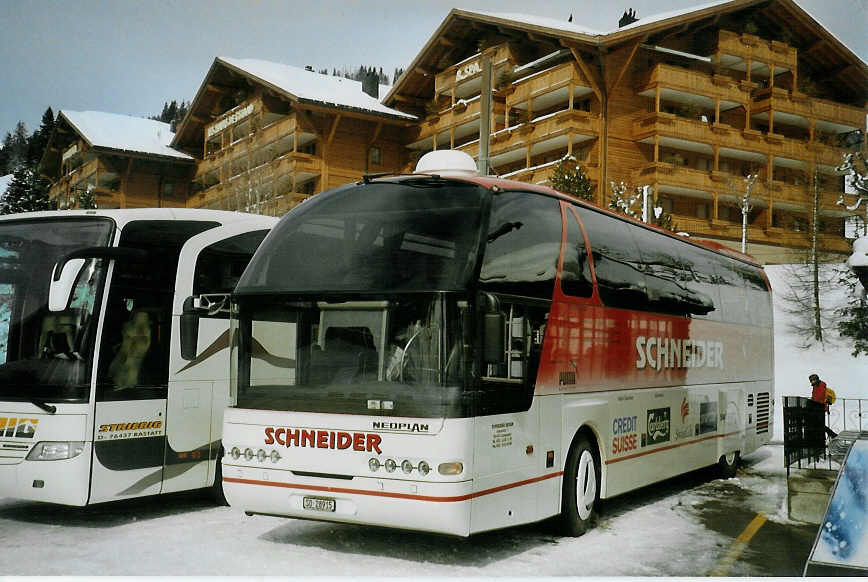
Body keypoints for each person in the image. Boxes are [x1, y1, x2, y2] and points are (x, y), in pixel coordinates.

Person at [809, 373, 837, 439]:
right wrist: (812, 400)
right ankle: (830, 435)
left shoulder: (821, 385)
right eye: (811, 380)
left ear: (817, 379)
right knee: (818, 423)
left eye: (813, 380)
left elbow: (821, 396)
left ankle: (832, 434)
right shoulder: (815, 386)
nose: (812, 381)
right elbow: (815, 396)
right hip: (816, 407)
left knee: (819, 424)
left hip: (820, 407)